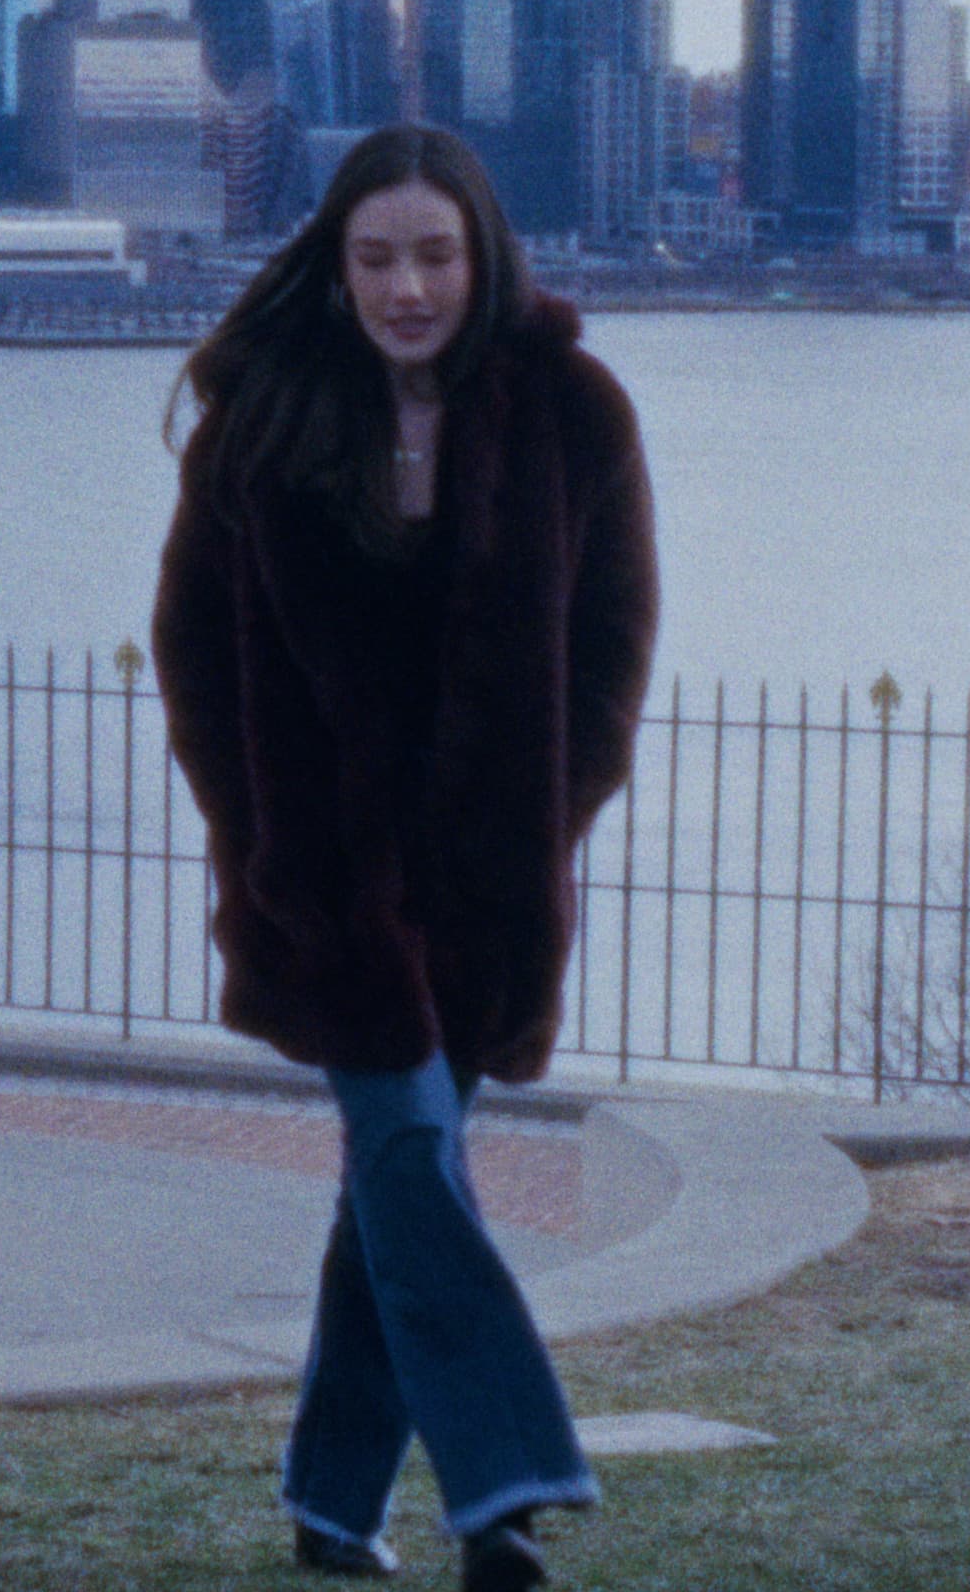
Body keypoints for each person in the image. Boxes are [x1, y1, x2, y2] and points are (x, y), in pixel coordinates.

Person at [149, 124, 657, 1590]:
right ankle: (503, 1494)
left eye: (434, 254)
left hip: (491, 883)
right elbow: (192, 656)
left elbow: (612, 650)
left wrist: (538, 823)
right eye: (376, 257)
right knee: (416, 1153)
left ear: (482, 254)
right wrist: (264, 848)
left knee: (389, 1191)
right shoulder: (267, 420)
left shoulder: (575, 414)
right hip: (323, 888)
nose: (407, 287)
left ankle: (328, 1507)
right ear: (336, 265)